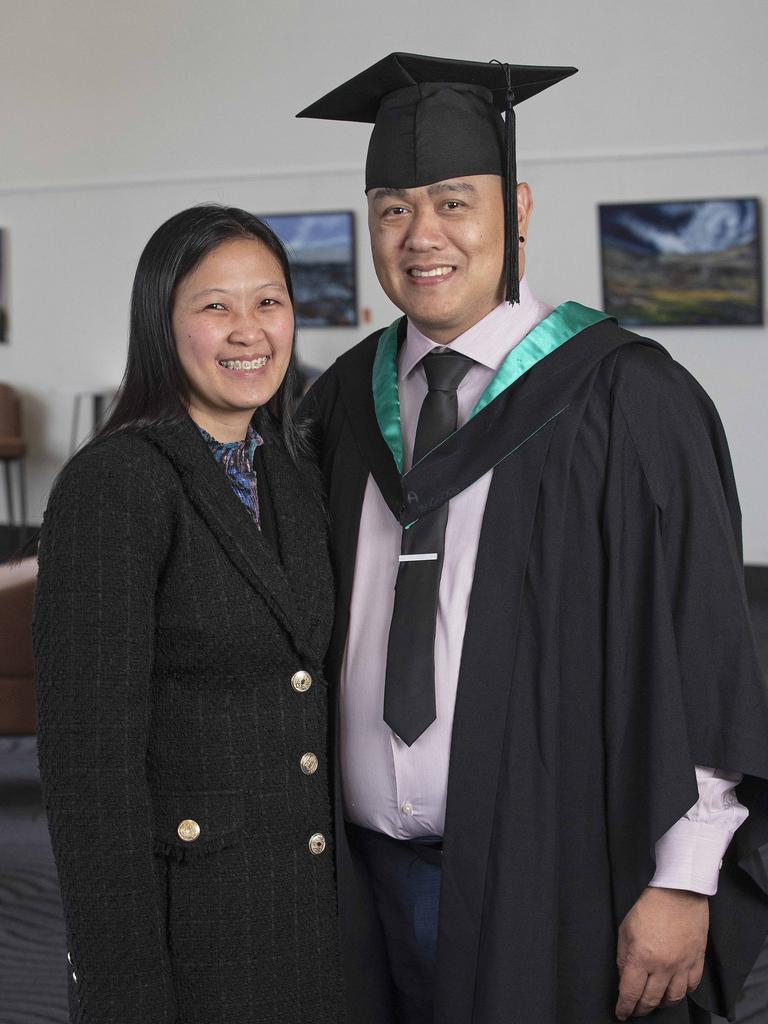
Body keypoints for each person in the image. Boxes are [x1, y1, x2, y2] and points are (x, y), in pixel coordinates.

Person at [297, 53, 768, 1024]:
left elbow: (705, 645)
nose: (421, 235)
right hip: (351, 877)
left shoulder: (627, 394)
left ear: (517, 208)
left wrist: (684, 877)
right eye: (392, 208)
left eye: (453, 203)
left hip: (554, 872)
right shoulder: (344, 398)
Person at [33, 205, 344, 1024]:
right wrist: (121, 983)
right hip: (192, 930)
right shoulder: (116, 485)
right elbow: (87, 767)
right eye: (216, 306)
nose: (249, 331)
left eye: (268, 302)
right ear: (161, 325)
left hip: (313, 921)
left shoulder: (293, 469)